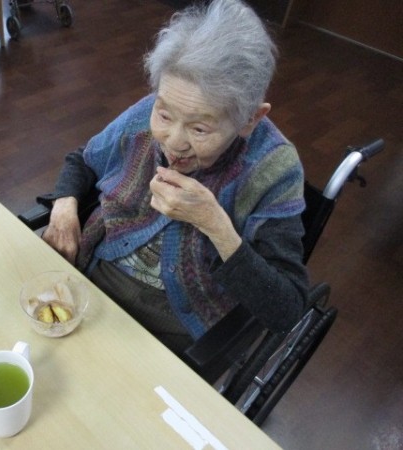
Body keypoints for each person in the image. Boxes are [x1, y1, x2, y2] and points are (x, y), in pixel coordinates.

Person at [38, 0, 308, 355]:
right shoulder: (149, 111)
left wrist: (215, 225)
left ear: (250, 120)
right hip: (90, 276)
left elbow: (287, 310)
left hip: (174, 327)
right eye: (164, 115)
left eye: (199, 128)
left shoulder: (273, 169)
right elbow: (84, 160)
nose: (174, 141)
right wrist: (63, 207)